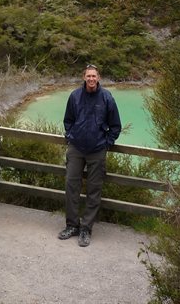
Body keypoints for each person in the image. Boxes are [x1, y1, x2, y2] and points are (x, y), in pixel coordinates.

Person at [58, 63, 121, 247]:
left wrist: (106, 143)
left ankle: (86, 228)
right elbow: (68, 120)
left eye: (94, 76)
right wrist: (71, 136)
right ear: (84, 77)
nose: (91, 79)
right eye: (88, 76)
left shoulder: (107, 98)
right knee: (71, 185)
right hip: (76, 148)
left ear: (98, 78)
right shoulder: (75, 96)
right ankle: (72, 225)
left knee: (94, 190)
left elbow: (115, 126)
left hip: (97, 151)